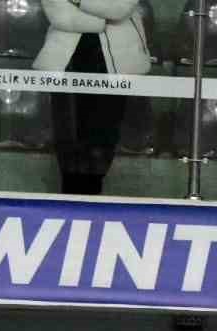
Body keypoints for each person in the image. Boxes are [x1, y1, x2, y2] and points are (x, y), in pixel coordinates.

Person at [34, 0, 150, 194]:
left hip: (116, 66)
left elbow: (120, 8)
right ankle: (71, 204)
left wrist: (78, 1)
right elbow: (58, 14)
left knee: (102, 139)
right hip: (67, 63)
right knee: (68, 140)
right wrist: (100, 17)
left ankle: (92, 204)